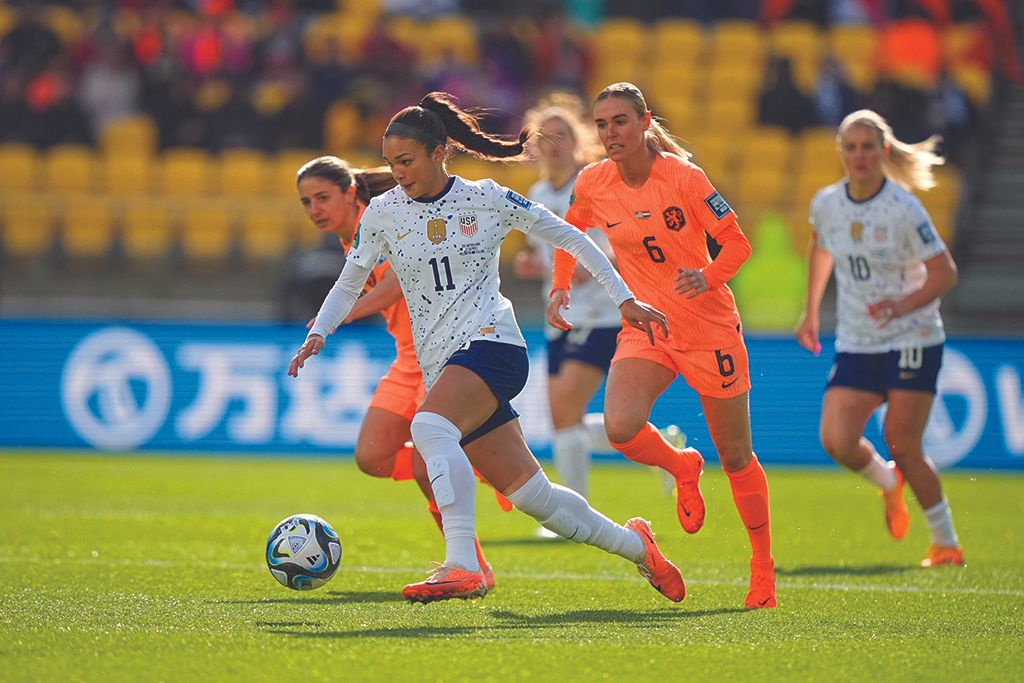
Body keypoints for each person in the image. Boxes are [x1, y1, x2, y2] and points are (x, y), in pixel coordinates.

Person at [288, 91, 686, 605]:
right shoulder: (384, 213)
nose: (398, 172)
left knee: (428, 427)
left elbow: (572, 237)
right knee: (535, 498)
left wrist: (624, 298)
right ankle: (639, 548)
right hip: (444, 367)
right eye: (391, 163)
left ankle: (463, 566)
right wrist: (319, 331)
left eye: (406, 161)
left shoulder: (487, 198)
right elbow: (350, 281)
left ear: (439, 153)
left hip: (493, 345)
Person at [549, 82, 776, 609]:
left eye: (621, 121)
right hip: (648, 327)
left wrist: (709, 275)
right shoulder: (594, 181)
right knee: (620, 426)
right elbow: (570, 232)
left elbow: (739, 243)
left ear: (645, 121)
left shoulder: (685, 178)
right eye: (602, 124)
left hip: (708, 330)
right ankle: (680, 466)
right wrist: (562, 283)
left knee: (737, 455)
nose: (611, 133)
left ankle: (762, 566)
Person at [294, 155, 495, 589]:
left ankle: (472, 566)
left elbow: (402, 279)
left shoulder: (387, 219)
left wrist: (346, 313)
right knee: (372, 456)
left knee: (427, 469)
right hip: (408, 358)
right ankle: (472, 464)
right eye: (307, 202)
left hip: (441, 355)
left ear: (350, 193)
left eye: (323, 198)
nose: (314, 210)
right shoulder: (349, 238)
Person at [795, 109, 964, 568]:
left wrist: (900, 306)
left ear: (883, 151)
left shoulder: (904, 208)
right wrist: (810, 312)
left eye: (868, 147)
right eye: (851, 147)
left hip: (913, 336)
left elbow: (944, 273)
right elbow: (821, 246)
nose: (859, 156)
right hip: (857, 339)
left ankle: (945, 543)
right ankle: (889, 485)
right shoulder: (827, 203)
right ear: (842, 153)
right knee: (836, 440)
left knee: (902, 444)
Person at [515, 92, 680, 525]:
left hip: (603, 314)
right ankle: (664, 450)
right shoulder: (534, 193)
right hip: (562, 317)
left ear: (577, 139)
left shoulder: (592, 184)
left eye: (562, 134)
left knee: (566, 411)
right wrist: (537, 264)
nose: (553, 143)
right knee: (563, 420)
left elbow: (619, 244)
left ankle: (575, 517)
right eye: (544, 135)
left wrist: (593, 264)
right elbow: (551, 253)